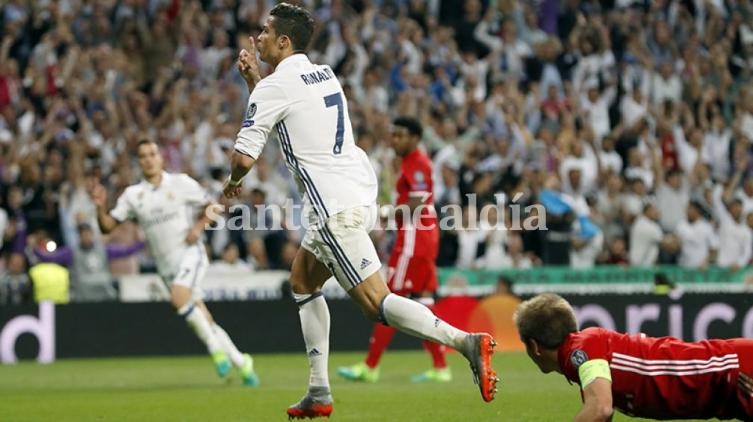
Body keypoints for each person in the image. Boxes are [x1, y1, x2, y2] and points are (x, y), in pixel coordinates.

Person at [224, 3, 498, 419]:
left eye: (265, 31)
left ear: (283, 41)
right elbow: (290, 113)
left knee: (377, 303)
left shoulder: (274, 87)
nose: (257, 37)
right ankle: (318, 392)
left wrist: (231, 183)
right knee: (302, 280)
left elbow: (244, 159)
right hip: (354, 192)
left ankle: (467, 343)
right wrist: (256, 83)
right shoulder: (325, 74)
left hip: (332, 207)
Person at [91, 139, 258, 386]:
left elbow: (213, 207)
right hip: (165, 267)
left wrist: (198, 228)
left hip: (190, 253)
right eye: (143, 155)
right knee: (203, 317)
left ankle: (217, 353)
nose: (148, 159)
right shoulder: (133, 195)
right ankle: (243, 363)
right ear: (140, 162)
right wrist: (100, 207)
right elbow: (107, 227)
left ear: (161, 158)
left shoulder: (180, 183)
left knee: (179, 299)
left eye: (152, 154)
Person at [513, 293, 753, 421]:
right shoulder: (582, 353)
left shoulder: (582, 349)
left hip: (737, 370)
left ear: (534, 346)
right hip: (732, 377)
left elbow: (601, 409)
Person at [337, 117, 450, 384]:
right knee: (423, 300)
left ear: (414, 138)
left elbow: (418, 204)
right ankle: (441, 366)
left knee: (387, 299)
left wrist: (385, 211)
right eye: (393, 135)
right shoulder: (412, 164)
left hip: (413, 240)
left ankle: (370, 366)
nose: (395, 140)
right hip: (422, 238)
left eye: (400, 135)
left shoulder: (418, 164)